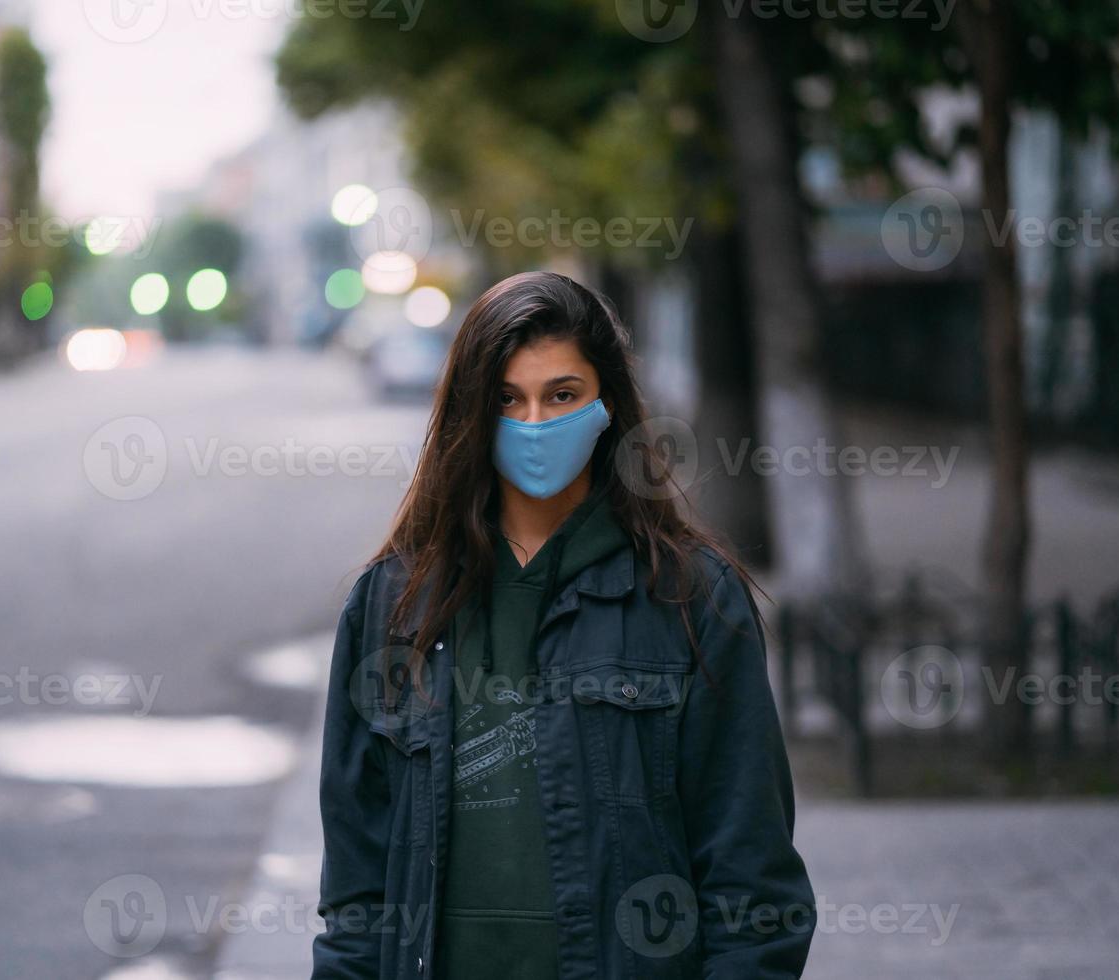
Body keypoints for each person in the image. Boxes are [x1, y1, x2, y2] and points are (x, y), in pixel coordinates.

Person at [312, 271, 815, 979]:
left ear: (607, 404)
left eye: (563, 396)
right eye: (506, 400)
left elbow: (752, 883)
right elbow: (357, 890)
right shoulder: (394, 602)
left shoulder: (692, 598)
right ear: (469, 415)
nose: (536, 425)